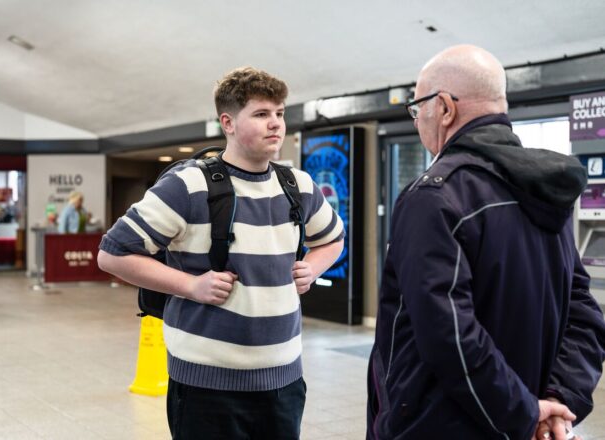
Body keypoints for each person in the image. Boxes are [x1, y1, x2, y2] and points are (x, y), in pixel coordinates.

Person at [367, 44, 605, 440]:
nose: (416, 120)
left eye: (417, 107)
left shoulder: (435, 197)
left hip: (440, 425)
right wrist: (557, 402)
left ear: (444, 107)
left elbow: (450, 336)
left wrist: (528, 413)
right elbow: (584, 313)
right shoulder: (548, 189)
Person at [97, 67, 344, 439]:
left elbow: (332, 239)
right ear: (227, 122)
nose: (276, 124)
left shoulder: (299, 185)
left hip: (283, 381)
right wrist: (190, 286)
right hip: (205, 388)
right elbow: (112, 253)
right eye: (261, 114)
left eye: (279, 113)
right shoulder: (187, 185)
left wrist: (312, 267)